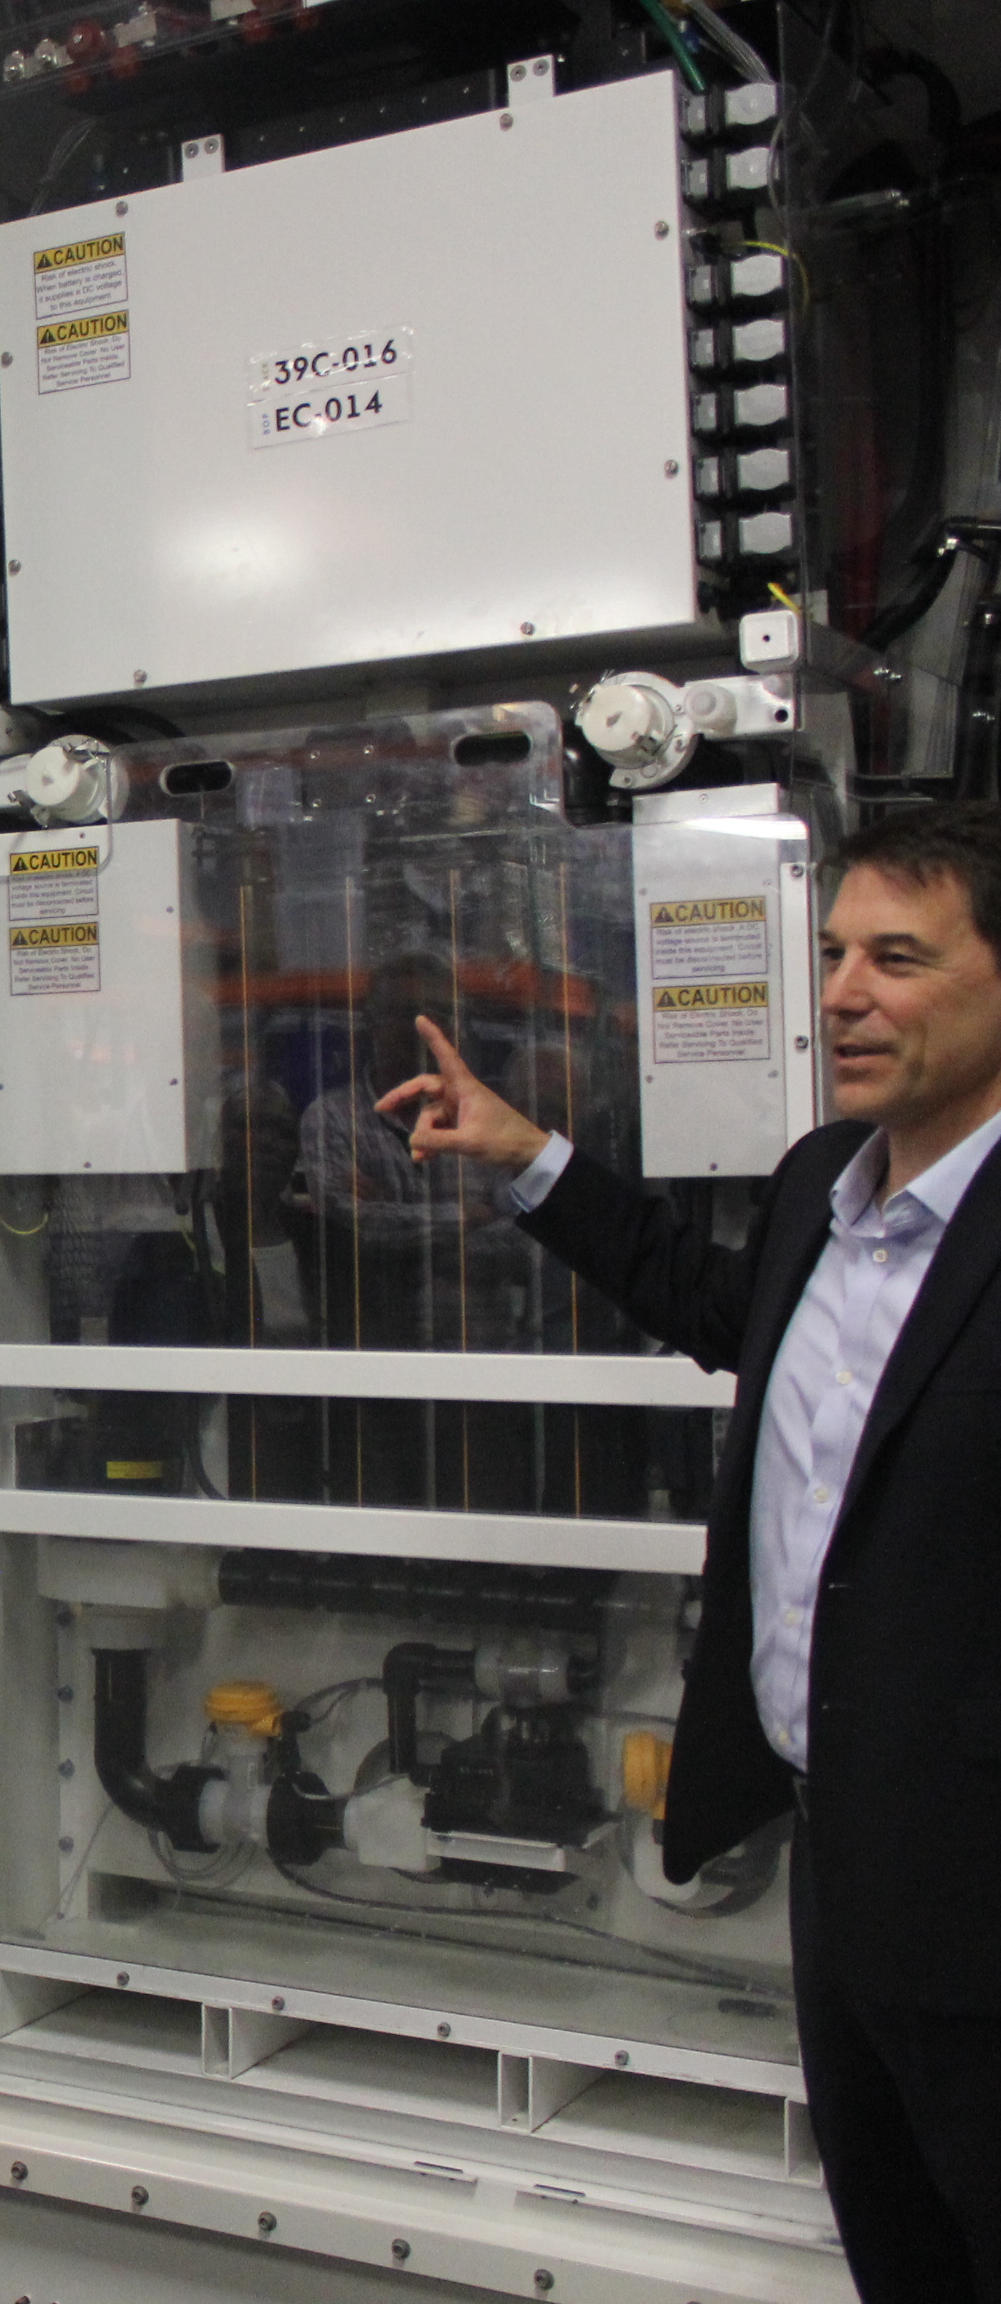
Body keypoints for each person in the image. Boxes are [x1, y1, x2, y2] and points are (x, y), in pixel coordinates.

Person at [379, 801, 1001, 2298]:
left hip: (985, 1892)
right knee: (902, 2252)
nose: (844, 992)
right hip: (839, 1859)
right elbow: (718, 1308)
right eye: (836, 951)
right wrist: (529, 1158)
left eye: (899, 959)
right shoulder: (822, 1189)